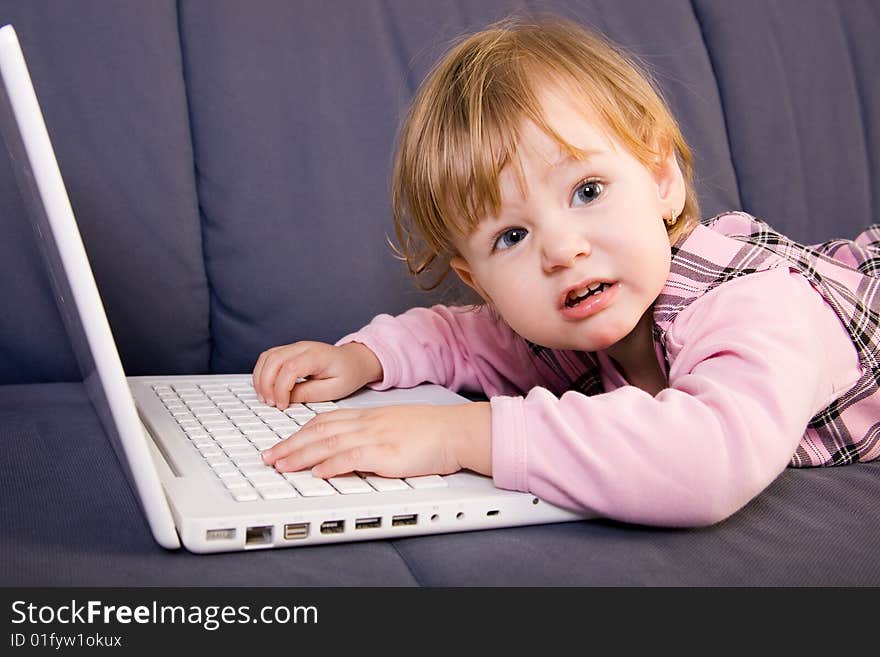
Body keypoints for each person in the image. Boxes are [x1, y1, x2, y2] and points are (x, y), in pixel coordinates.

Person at [253, 15, 880, 526]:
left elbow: (707, 461)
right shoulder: (566, 318)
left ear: (662, 182)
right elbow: (459, 338)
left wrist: (464, 434)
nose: (559, 251)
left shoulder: (756, 306)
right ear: (480, 282)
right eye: (511, 236)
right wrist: (364, 358)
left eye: (587, 191)